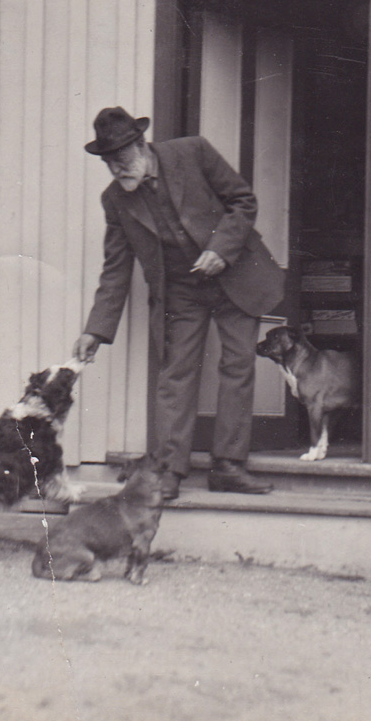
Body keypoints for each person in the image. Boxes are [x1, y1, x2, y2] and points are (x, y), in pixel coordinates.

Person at [73, 106, 286, 500]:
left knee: (237, 366)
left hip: (234, 274)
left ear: (141, 146)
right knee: (175, 376)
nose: (117, 171)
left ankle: (228, 466)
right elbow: (116, 269)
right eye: (109, 164)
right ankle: (169, 472)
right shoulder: (116, 201)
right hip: (181, 291)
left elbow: (243, 201)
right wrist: (95, 330)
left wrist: (222, 249)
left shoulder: (194, 152)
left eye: (121, 160)